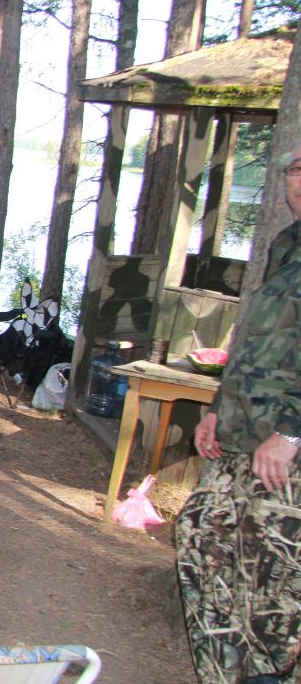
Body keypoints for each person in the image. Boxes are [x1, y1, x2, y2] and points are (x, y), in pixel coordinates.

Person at [176, 144, 301, 684]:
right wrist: (217, 411)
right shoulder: (287, 244)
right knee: (201, 533)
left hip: (286, 447)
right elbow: (255, 344)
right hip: (244, 434)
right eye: (297, 170)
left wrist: (293, 433)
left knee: (278, 584)